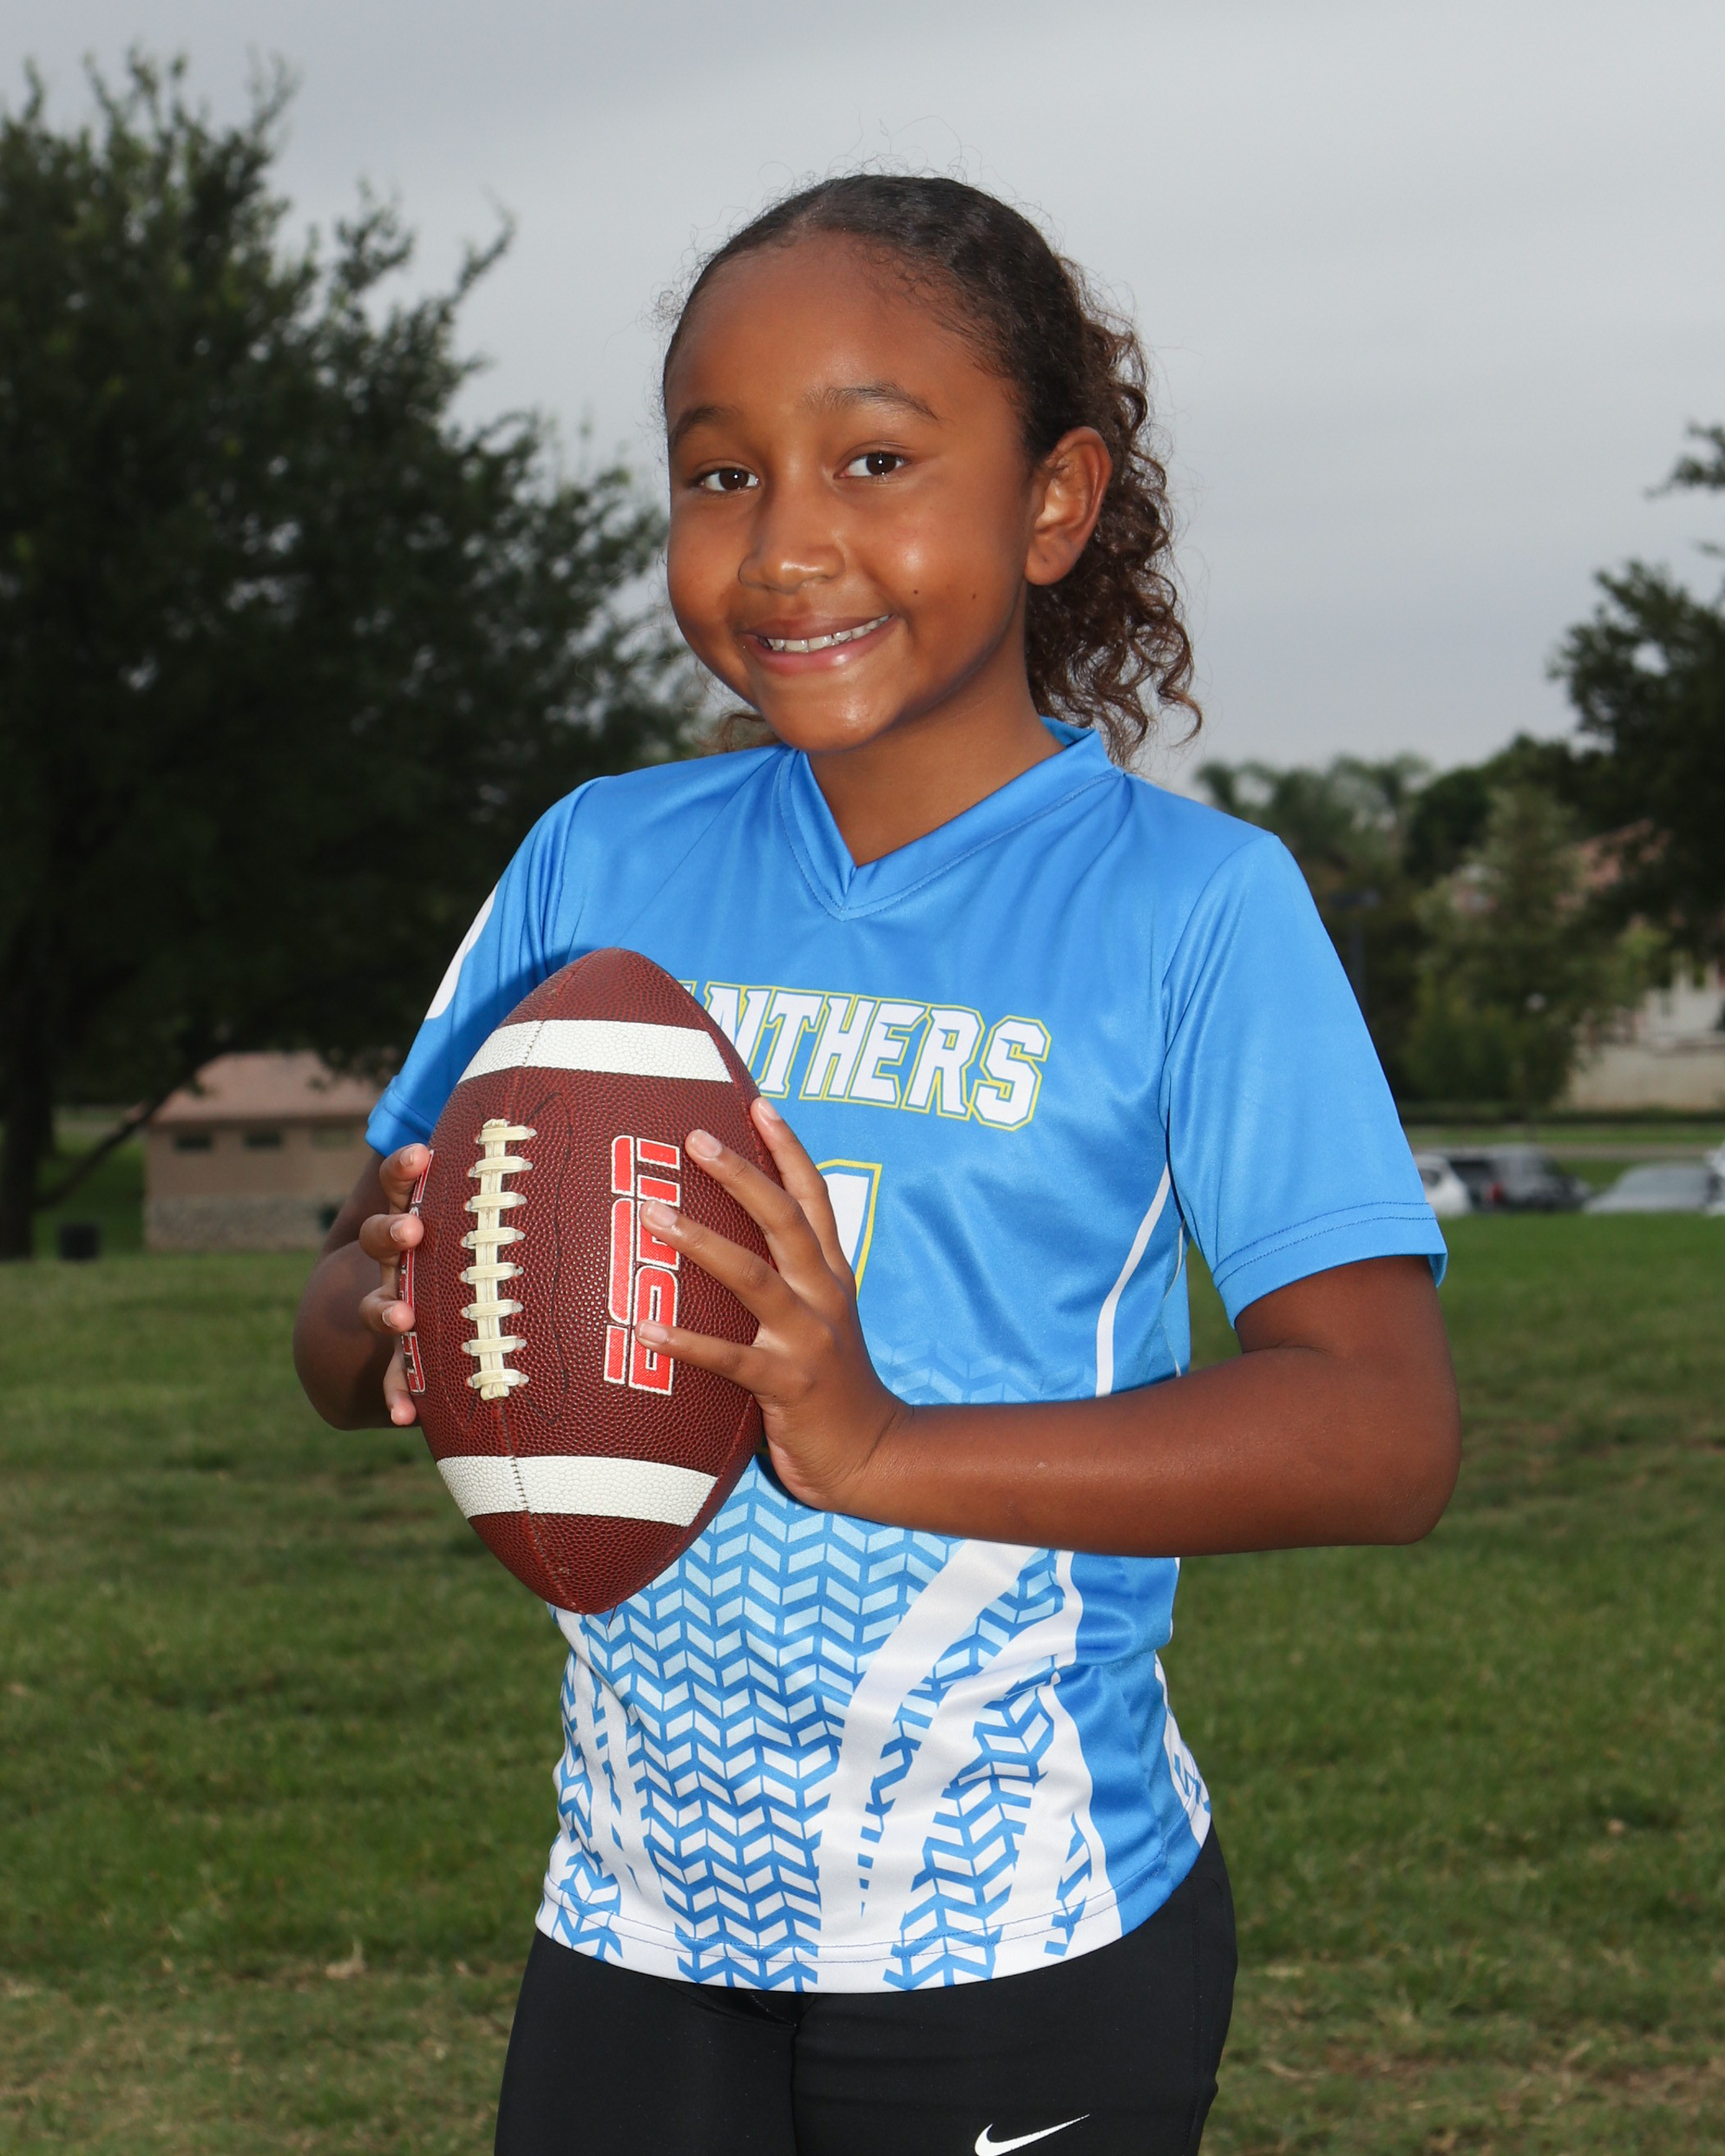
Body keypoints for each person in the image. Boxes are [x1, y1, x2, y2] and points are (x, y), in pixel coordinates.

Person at [293, 174, 1459, 2156]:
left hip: (1018, 1927)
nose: (786, 544)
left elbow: (1380, 1432)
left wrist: (878, 1440)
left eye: (875, 460)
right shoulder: (596, 859)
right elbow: (344, 1310)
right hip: (635, 1919)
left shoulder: (1193, 906)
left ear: (1053, 501)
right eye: (719, 474)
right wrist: (389, 1310)